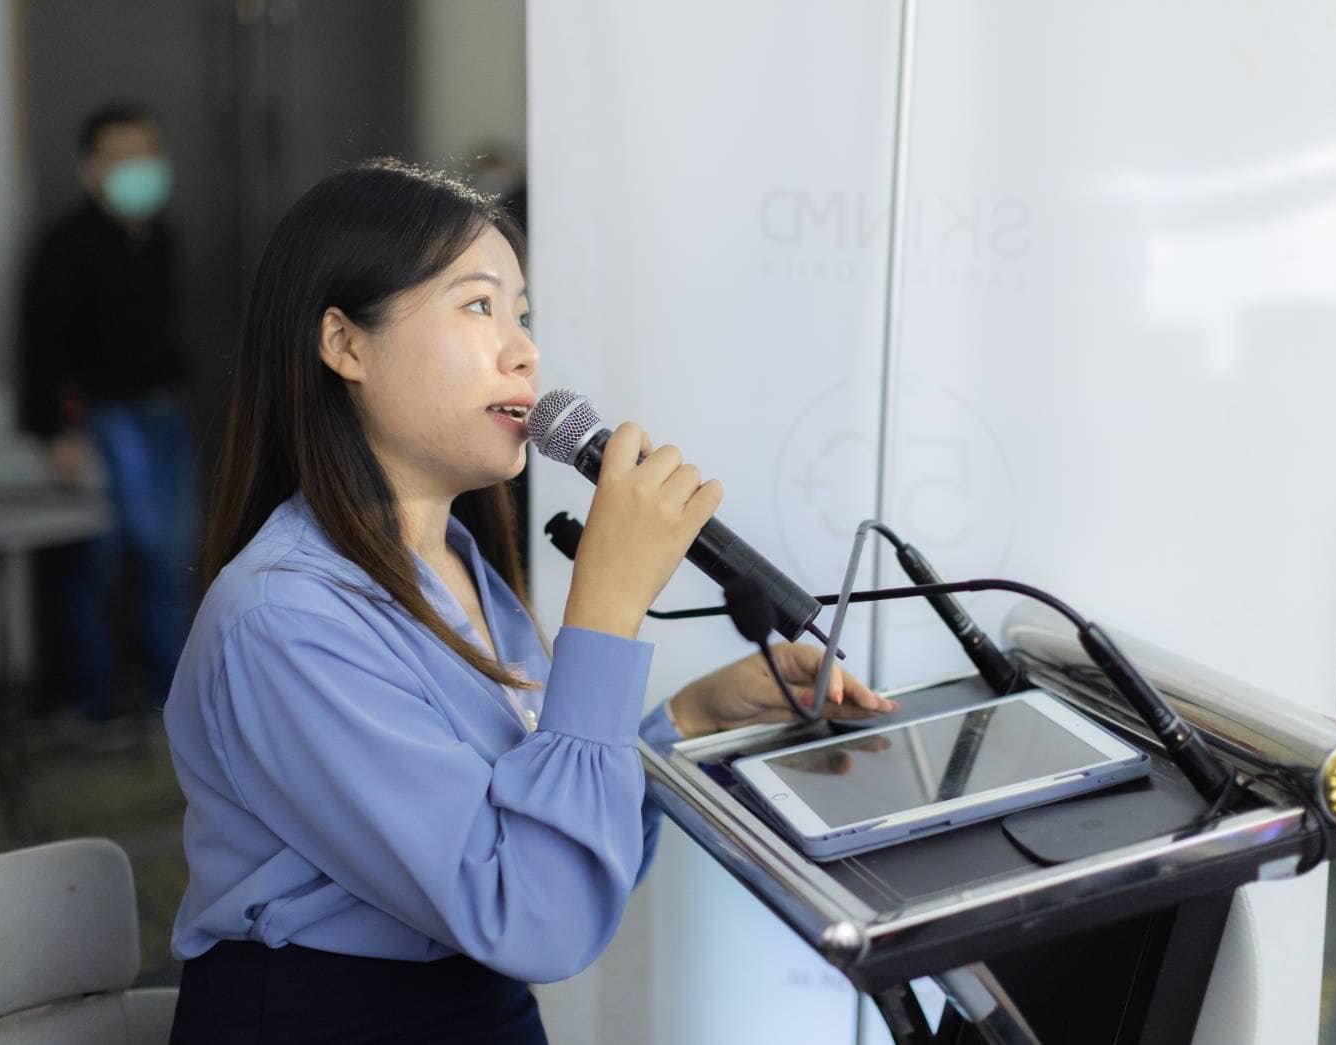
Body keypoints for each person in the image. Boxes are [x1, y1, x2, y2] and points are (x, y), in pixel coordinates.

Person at [162, 159, 893, 1043]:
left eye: (523, 314)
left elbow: (560, 858)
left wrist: (688, 720)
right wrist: (604, 614)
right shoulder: (282, 622)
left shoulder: (463, 564)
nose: (523, 350)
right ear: (344, 343)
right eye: (477, 306)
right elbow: (534, 913)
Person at [16, 101, 195, 742]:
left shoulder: (163, 238)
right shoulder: (64, 245)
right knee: (93, 565)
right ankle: (90, 708)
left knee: (168, 561)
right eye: (121, 155)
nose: (138, 166)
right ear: (90, 168)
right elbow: (39, 346)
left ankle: (166, 704)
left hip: (164, 415)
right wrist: (56, 434)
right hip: (101, 423)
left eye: (147, 150)